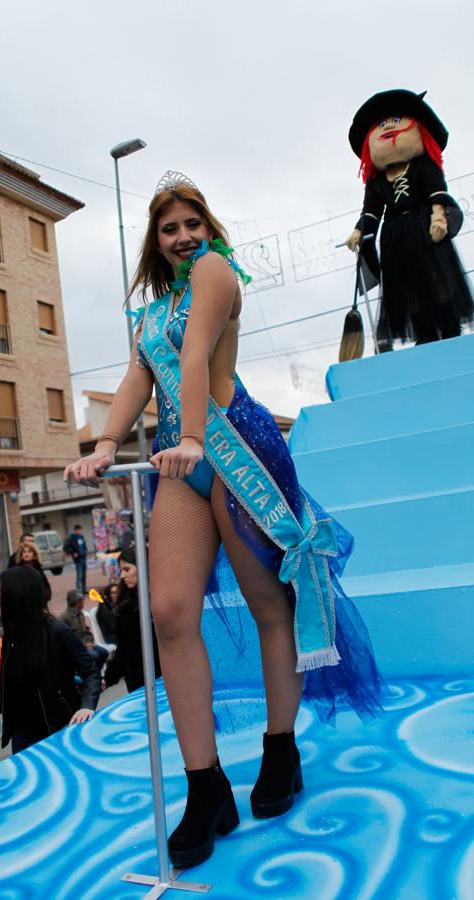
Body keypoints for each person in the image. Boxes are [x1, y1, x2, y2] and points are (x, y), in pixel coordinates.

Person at [66, 173, 385, 868]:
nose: (183, 237)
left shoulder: (215, 271)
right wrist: (101, 446)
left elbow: (195, 354)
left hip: (234, 442)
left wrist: (186, 434)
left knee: (268, 601)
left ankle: (280, 750)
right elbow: (135, 380)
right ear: (154, 241)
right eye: (168, 228)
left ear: (208, 228)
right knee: (172, 611)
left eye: (191, 223)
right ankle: (205, 786)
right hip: (180, 459)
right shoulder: (150, 313)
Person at [345, 89, 474, 348]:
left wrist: (439, 218)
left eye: (396, 120)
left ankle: (449, 328)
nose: (389, 126)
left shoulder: (423, 165)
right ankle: (424, 332)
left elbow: (438, 193)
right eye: (382, 124)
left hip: (424, 227)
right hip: (395, 235)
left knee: (436, 278)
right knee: (409, 287)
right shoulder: (376, 180)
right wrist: (360, 230)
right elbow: (371, 211)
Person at [0, 566, 101, 754]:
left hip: (57, 731)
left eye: (0, 591)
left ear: (17, 595)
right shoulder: (11, 636)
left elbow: (91, 672)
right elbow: (9, 689)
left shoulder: (57, 631)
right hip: (22, 737)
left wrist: (87, 706)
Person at [104, 546, 161, 693]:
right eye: (121, 570)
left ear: (143, 566)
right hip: (138, 681)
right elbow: (124, 647)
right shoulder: (126, 605)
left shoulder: (160, 598)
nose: (122, 575)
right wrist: (109, 677)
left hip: (164, 676)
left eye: (127, 569)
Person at [60, 590, 109, 670]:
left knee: (104, 653)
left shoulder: (81, 614)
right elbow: (68, 639)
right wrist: (85, 646)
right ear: (77, 603)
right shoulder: (64, 618)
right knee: (95, 655)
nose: (83, 602)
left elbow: (86, 631)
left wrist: (90, 642)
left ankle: (96, 673)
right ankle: (91, 674)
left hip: (86, 644)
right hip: (77, 648)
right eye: (82, 600)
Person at [69, 525, 88, 594]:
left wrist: (86, 551)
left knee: (84, 576)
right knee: (79, 576)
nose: (80, 531)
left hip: (83, 558)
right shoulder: (72, 538)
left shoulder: (82, 537)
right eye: (78, 530)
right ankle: (78, 591)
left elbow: (84, 546)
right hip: (78, 560)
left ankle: (84, 590)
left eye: (80, 529)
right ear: (75, 530)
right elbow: (66, 547)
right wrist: (73, 553)